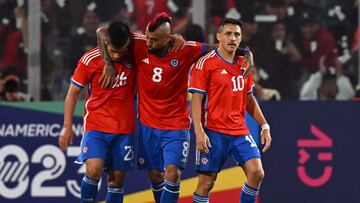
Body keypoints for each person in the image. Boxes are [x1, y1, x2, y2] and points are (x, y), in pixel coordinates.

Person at [97, 12, 220, 203]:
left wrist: (245, 53)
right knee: (155, 176)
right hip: (148, 126)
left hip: (176, 126)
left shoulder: (184, 49)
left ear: (168, 38)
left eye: (154, 40)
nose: (148, 43)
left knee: (172, 173)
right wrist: (108, 63)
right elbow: (102, 31)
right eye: (147, 37)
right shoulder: (137, 41)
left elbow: (217, 49)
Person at [188, 18, 272, 203]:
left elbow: (249, 98)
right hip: (213, 131)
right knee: (206, 184)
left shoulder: (244, 64)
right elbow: (196, 101)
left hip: (239, 131)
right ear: (218, 36)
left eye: (237, 34)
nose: (232, 38)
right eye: (228, 33)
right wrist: (199, 131)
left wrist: (264, 125)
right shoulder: (205, 64)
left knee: (257, 173)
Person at [58, 21, 135, 203]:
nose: (116, 55)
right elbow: (72, 94)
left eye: (121, 51)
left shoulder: (134, 54)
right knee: (93, 169)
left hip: (124, 128)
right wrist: (67, 127)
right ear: (106, 42)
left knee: (116, 181)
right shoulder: (90, 60)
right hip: (97, 125)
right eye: (112, 51)